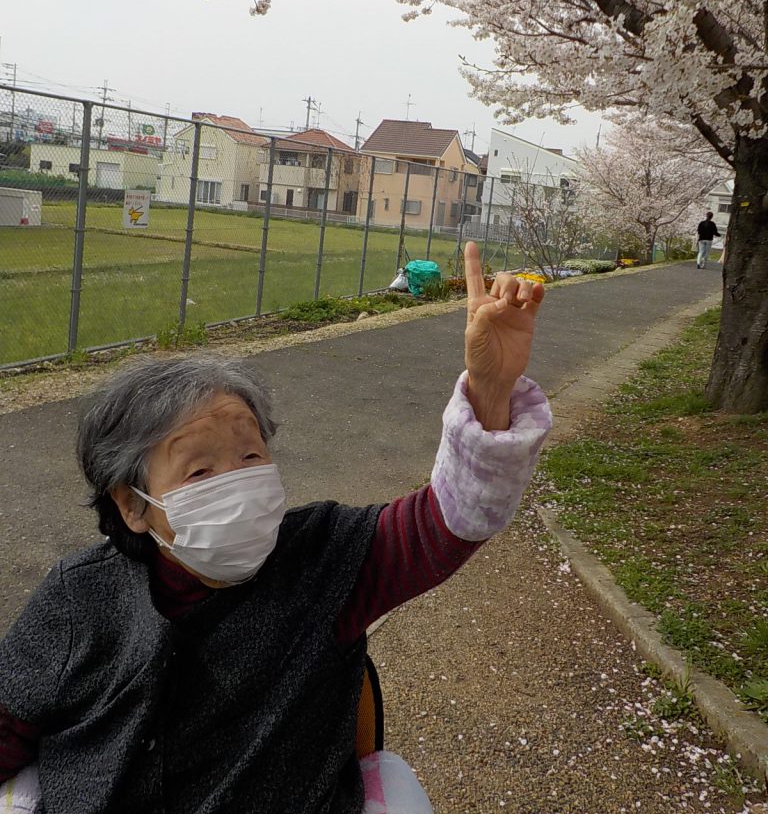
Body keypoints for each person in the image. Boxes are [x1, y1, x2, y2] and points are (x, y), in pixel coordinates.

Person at [0, 242, 551, 814]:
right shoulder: (77, 598)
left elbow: (451, 520)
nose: (235, 481)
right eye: (199, 469)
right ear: (132, 505)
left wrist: (490, 391)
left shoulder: (324, 556)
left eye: (249, 455)